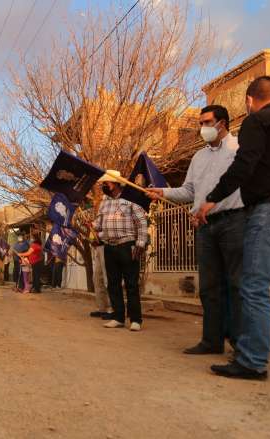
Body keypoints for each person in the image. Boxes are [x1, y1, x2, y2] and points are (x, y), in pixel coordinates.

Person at [196, 76, 270, 380]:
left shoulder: (257, 121)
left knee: (252, 285)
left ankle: (252, 361)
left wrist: (212, 198)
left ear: (250, 100)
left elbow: (243, 165)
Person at [147, 105, 244, 355]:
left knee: (236, 284)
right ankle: (211, 341)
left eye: (206, 122)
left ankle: (241, 343)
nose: (202, 128)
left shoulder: (239, 150)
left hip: (235, 221)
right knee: (209, 286)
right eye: (200, 123)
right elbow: (189, 192)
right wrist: (163, 192)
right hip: (204, 227)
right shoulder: (198, 157)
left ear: (222, 123)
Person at [94, 171, 148, 331]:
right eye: (103, 183)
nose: (104, 186)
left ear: (116, 184)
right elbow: (99, 224)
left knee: (131, 284)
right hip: (109, 247)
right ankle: (118, 317)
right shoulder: (104, 202)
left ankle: (135, 320)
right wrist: (96, 229)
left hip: (128, 246)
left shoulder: (131, 198)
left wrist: (140, 244)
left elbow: (142, 222)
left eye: (107, 183)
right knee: (113, 284)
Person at [89, 244, 113, 320]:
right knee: (97, 278)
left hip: (107, 245)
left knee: (107, 278)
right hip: (98, 246)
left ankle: (111, 309)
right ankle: (101, 308)